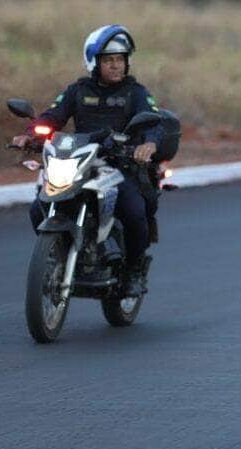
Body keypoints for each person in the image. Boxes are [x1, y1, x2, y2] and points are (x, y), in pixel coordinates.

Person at [12, 24, 168, 296]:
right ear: (94, 62)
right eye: (109, 60)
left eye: (120, 60)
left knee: (134, 212)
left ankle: (133, 269)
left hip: (119, 165)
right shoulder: (77, 90)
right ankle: (59, 253)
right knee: (38, 209)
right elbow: (53, 115)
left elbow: (154, 121)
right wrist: (30, 135)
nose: (116, 66)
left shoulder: (136, 92)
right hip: (80, 160)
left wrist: (149, 144)